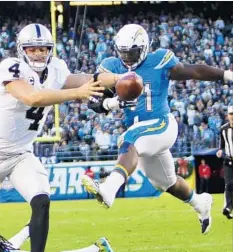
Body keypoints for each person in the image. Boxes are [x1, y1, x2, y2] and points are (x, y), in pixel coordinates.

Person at [0, 23, 131, 252]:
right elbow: (31, 97)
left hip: (21, 153)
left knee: (42, 200)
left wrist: (120, 80)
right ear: (22, 49)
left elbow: (86, 80)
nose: (39, 53)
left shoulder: (56, 68)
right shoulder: (11, 67)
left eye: (44, 48)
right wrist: (77, 93)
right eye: (33, 48)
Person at [83, 24, 233, 234]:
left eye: (131, 52)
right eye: (123, 52)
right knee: (165, 182)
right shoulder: (112, 67)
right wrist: (110, 104)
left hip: (162, 125)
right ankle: (200, 204)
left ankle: (109, 187)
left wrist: (226, 74)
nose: (126, 57)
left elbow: (195, 70)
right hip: (143, 134)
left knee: (129, 138)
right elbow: (93, 99)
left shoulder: (159, 60)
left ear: (143, 48)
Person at [217, 105, 233, 219]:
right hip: (228, 160)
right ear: (228, 115)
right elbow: (222, 145)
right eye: (231, 114)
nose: (232, 116)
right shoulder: (223, 129)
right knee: (228, 184)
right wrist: (220, 151)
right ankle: (228, 207)